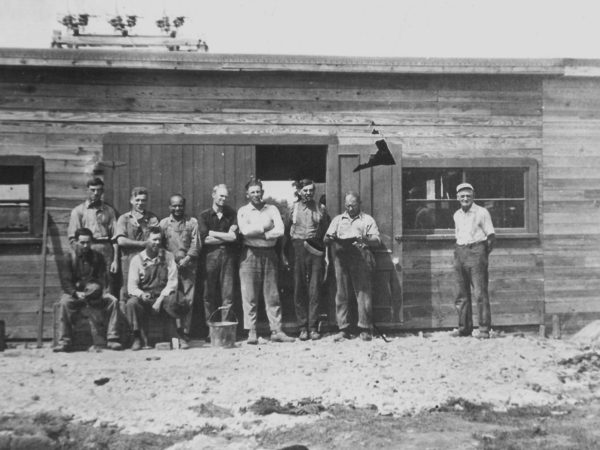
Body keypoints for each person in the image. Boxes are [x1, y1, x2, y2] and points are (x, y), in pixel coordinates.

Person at [237, 179, 295, 344]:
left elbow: (280, 230)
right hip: (250, 254)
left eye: (258, 191)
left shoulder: (272, 209)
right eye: (252, 192)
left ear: (262, 192)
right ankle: (252, 332)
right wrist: (265, 228)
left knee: (272, 294)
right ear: (247, 194)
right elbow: (245, 231)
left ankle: (276, 330)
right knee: (249, 295)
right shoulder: (243, 211)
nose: (256, 194)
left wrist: (261, 233)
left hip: (269, 254)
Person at [54, 228, 123, 352]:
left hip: (94, 292)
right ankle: (64, 341)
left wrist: (100, 291)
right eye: (82, 242)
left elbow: (102, 277)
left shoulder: (97, 257)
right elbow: (65, 281)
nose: (85, 245)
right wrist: (75, 293)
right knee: (64, 303)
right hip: (75, 293)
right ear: (75, 242)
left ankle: (112, 339)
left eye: (88, 242)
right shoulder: (69, 257)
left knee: (113, 301)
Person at [324, 191, 380, 341]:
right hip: (341, 258)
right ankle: (343, 328)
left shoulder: (367, 219)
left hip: (360, 257)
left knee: (363, 293)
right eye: (347, 205)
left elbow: (377, 240)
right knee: (341, 294)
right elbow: (326, 238)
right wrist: (331, 237)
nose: (350, 208)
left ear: (359, 204)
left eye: (353, 205)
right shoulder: (337, 220)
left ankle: (365, 328)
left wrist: (363, 239)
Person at [125, 227, 189, 350]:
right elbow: (132, 287)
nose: (157, 243)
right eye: (154, 240)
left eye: (159, 240)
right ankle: (137, 337)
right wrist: (141, 294)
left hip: (164, 297)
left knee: (177, 299)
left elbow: (172, 282)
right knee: (131, 303)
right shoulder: (137, 260)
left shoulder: (168, 256)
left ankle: (179, 336)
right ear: (146, 241)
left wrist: (160, 300)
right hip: (146, 298)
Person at [283, 179, 329, 341]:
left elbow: (325, 232)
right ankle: (302, 327)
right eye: (305, 190)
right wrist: (285, 255)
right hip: (297, 249)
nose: (308, 193)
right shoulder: (292, 209)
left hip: (315, 249)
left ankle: (313, 327)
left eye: (311, 190)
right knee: (298, 287)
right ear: (299, 191)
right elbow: (285, 233)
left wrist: (324, 254)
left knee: (314, 288)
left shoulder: (321, 208)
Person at [452, 182, 496, 339]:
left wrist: (481, 254)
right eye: (462, 196)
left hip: (477, 251)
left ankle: (484, 330)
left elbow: (491, 237)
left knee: (479, 293)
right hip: (460, 251)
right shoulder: (456, 215)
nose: (465, 198)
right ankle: (464, 328)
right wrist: (461, 252)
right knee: (461, 293)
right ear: (457, 197)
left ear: (473, 197)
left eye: (468, 196)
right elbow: (458, 234)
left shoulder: (482, 212)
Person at [159, 194, 200, 349]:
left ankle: (185, 333)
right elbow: (160, 245)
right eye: (174, 206)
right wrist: (171, 261)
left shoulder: (192, 222)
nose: (177, 208)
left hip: (188, 266)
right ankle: (173, 333)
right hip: (170, 267)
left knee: (188, 300)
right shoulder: (164, 224)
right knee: (171, 299)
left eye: (180, 205)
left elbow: (196, 243)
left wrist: (187, 258)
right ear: (169, 206)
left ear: (184, 205)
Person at [67, 178, 120, 297]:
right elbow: (72, 238)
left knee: (107, 281)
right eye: (92, 190)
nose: (96, 193)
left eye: (99, 190)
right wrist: (82, 256)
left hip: (106, 248)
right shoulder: (78, 211)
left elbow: (115, 237)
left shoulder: (109, 211)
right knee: (89, 282)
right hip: (88, 249)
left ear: (102, 192)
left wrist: (115, 259)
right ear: (87, 191)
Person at [199, 184, 238, 330]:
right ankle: (211, 330)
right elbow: (204, 239)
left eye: (226, 196)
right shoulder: (204, 215)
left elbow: (234, 237)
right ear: (213, 195)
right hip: (210, 256)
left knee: (227, 294)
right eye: (221, 195)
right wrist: (226, 236)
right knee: (209, 294)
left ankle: (225, 328)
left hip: (228, 256)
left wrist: (212, 233)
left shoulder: (232, 214)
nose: (223, 199)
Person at [114, 187, 159, 303]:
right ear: (131, 200)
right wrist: (143, 243)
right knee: (126, 290)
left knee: (147, 288)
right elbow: (121, 241)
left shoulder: (152, 218)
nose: (140, 203)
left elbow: (156, 239)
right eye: (137, 200)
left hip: (146, 259)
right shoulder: (124, 219)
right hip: (128, 259)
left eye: (143, 200)